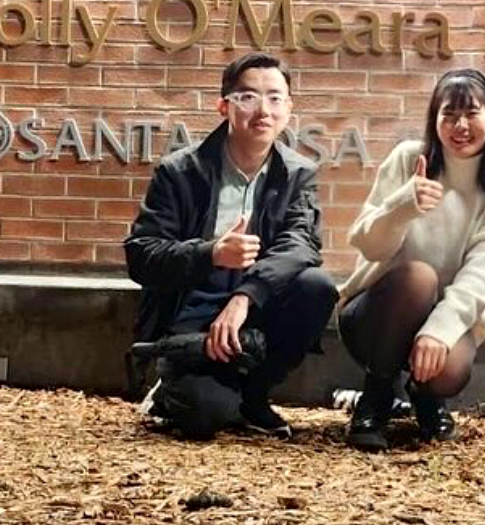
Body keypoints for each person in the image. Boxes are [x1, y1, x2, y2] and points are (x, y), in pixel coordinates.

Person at [124, 52, 336, 441]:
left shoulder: (298, 174)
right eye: (248, 97)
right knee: (205, 416)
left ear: (289, 109)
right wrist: (211, 253)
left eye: (275, 98)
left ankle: (253, 394)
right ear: (224, 105)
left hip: (253, 312)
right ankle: (174, 386)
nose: (263, 110)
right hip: (192, 317)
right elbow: (141, 254)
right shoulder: (180, 171)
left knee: (316, 287)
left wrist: (245, 296)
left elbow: (302, 242)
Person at [338, 68, 485, 450]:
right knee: (419, 277)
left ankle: (425, 397)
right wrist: (402, 205)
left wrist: (438, 332)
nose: (460, 125)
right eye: (449, 114)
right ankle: (375, 397)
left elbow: (482, 275)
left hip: (443, 319)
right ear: (434, 119)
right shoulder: (410, 159)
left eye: (472, 113)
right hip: (374, 317)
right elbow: (365, 243)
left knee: (449, 370)